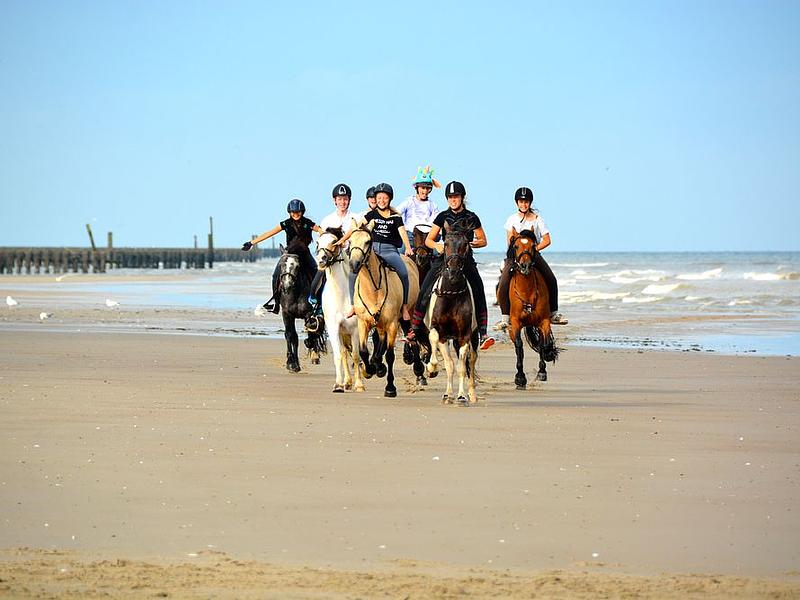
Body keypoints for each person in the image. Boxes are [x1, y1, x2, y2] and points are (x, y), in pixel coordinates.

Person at [410, 181, 495, 350]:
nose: (453, 200)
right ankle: (415, 327)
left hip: (465, 260)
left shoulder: (472, 217)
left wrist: (472, 243)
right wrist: (437, 246)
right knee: (426, 286)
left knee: (478, 288)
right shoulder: (442, 217)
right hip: (445, 259)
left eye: (456, 197)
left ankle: (483, 332)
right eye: (450, 197)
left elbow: (483, 240)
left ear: (462, 197)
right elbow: (429, 240)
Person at [336, 183, 414, 322]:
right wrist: (342, 240)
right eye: (379, 198)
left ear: (389, 199)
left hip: (389, 250)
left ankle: (404, 306)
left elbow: (402, 232)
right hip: (373, 250)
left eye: (385, 198)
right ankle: (353, 306)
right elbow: (356, 228)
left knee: (403, 272)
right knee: (353, 272)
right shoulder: (372, 214)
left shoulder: (396, 216)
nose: (381, 201)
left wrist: (408, 247)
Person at [495, 186, 567, 329]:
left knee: (551, 279)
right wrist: (518, 253)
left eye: (526, 202)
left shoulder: (538, 220)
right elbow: (510, 240)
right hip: (515, 256)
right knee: (503, 283)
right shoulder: (512, 219)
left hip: (533, 255)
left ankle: (553, 313)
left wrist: (534, 249)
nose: (524, 204)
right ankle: (505, 318)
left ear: (530, 203)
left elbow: (547, 240)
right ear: (517, 203)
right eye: (521, 202)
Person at [242, 199, 322, 313]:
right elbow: (269, 233)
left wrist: (330, 237)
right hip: (289, 255)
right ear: (289, 213)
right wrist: (251, 243)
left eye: (298, 212)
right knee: (276, 274)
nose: (295, 214)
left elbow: (320, 230)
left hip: (305, 254)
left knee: (316, 272)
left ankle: (318, 302)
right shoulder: (286, 224)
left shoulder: (307, 223)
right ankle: (276, 302)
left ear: (302, 212)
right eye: (293, 212)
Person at [308, 183, 357, 313]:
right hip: (332, 259)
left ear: (349, 200)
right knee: (317, 280)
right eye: (339, 199)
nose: (342, 202)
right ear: (334, 200)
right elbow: (322, 242)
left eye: (345, 199)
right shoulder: (327, 220)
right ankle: (316, 307)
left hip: (351, 256)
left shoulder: (355, 218)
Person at [396, 166, 441, 246]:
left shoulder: (433, 205)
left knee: (440, 251)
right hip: (410, 236)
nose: (425, 191)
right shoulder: (409, 201)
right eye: (423, 188)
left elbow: (438, 221)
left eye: (428, 188)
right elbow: (396, 212)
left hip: (427, 238)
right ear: (416, 188)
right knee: (399, 251)